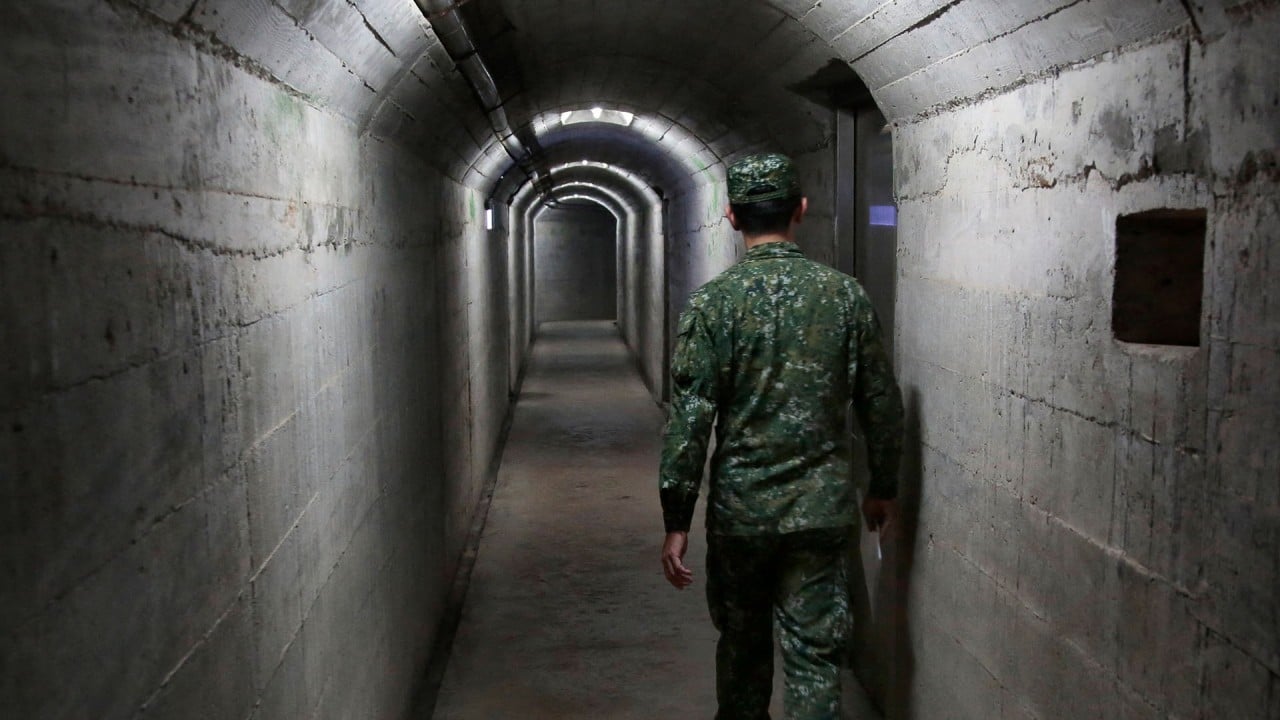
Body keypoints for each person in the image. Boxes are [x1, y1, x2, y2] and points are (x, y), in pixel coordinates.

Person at [658, 153, 904, 720]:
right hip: (820, 511)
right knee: (815, 655)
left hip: (741, 513)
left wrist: (676, 520)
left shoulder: (713, 304)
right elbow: (880, 403)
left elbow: (690, 423)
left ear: (730, 216)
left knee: (743, 648)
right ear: (801, 210)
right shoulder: (844, 296)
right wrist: (882, 485)